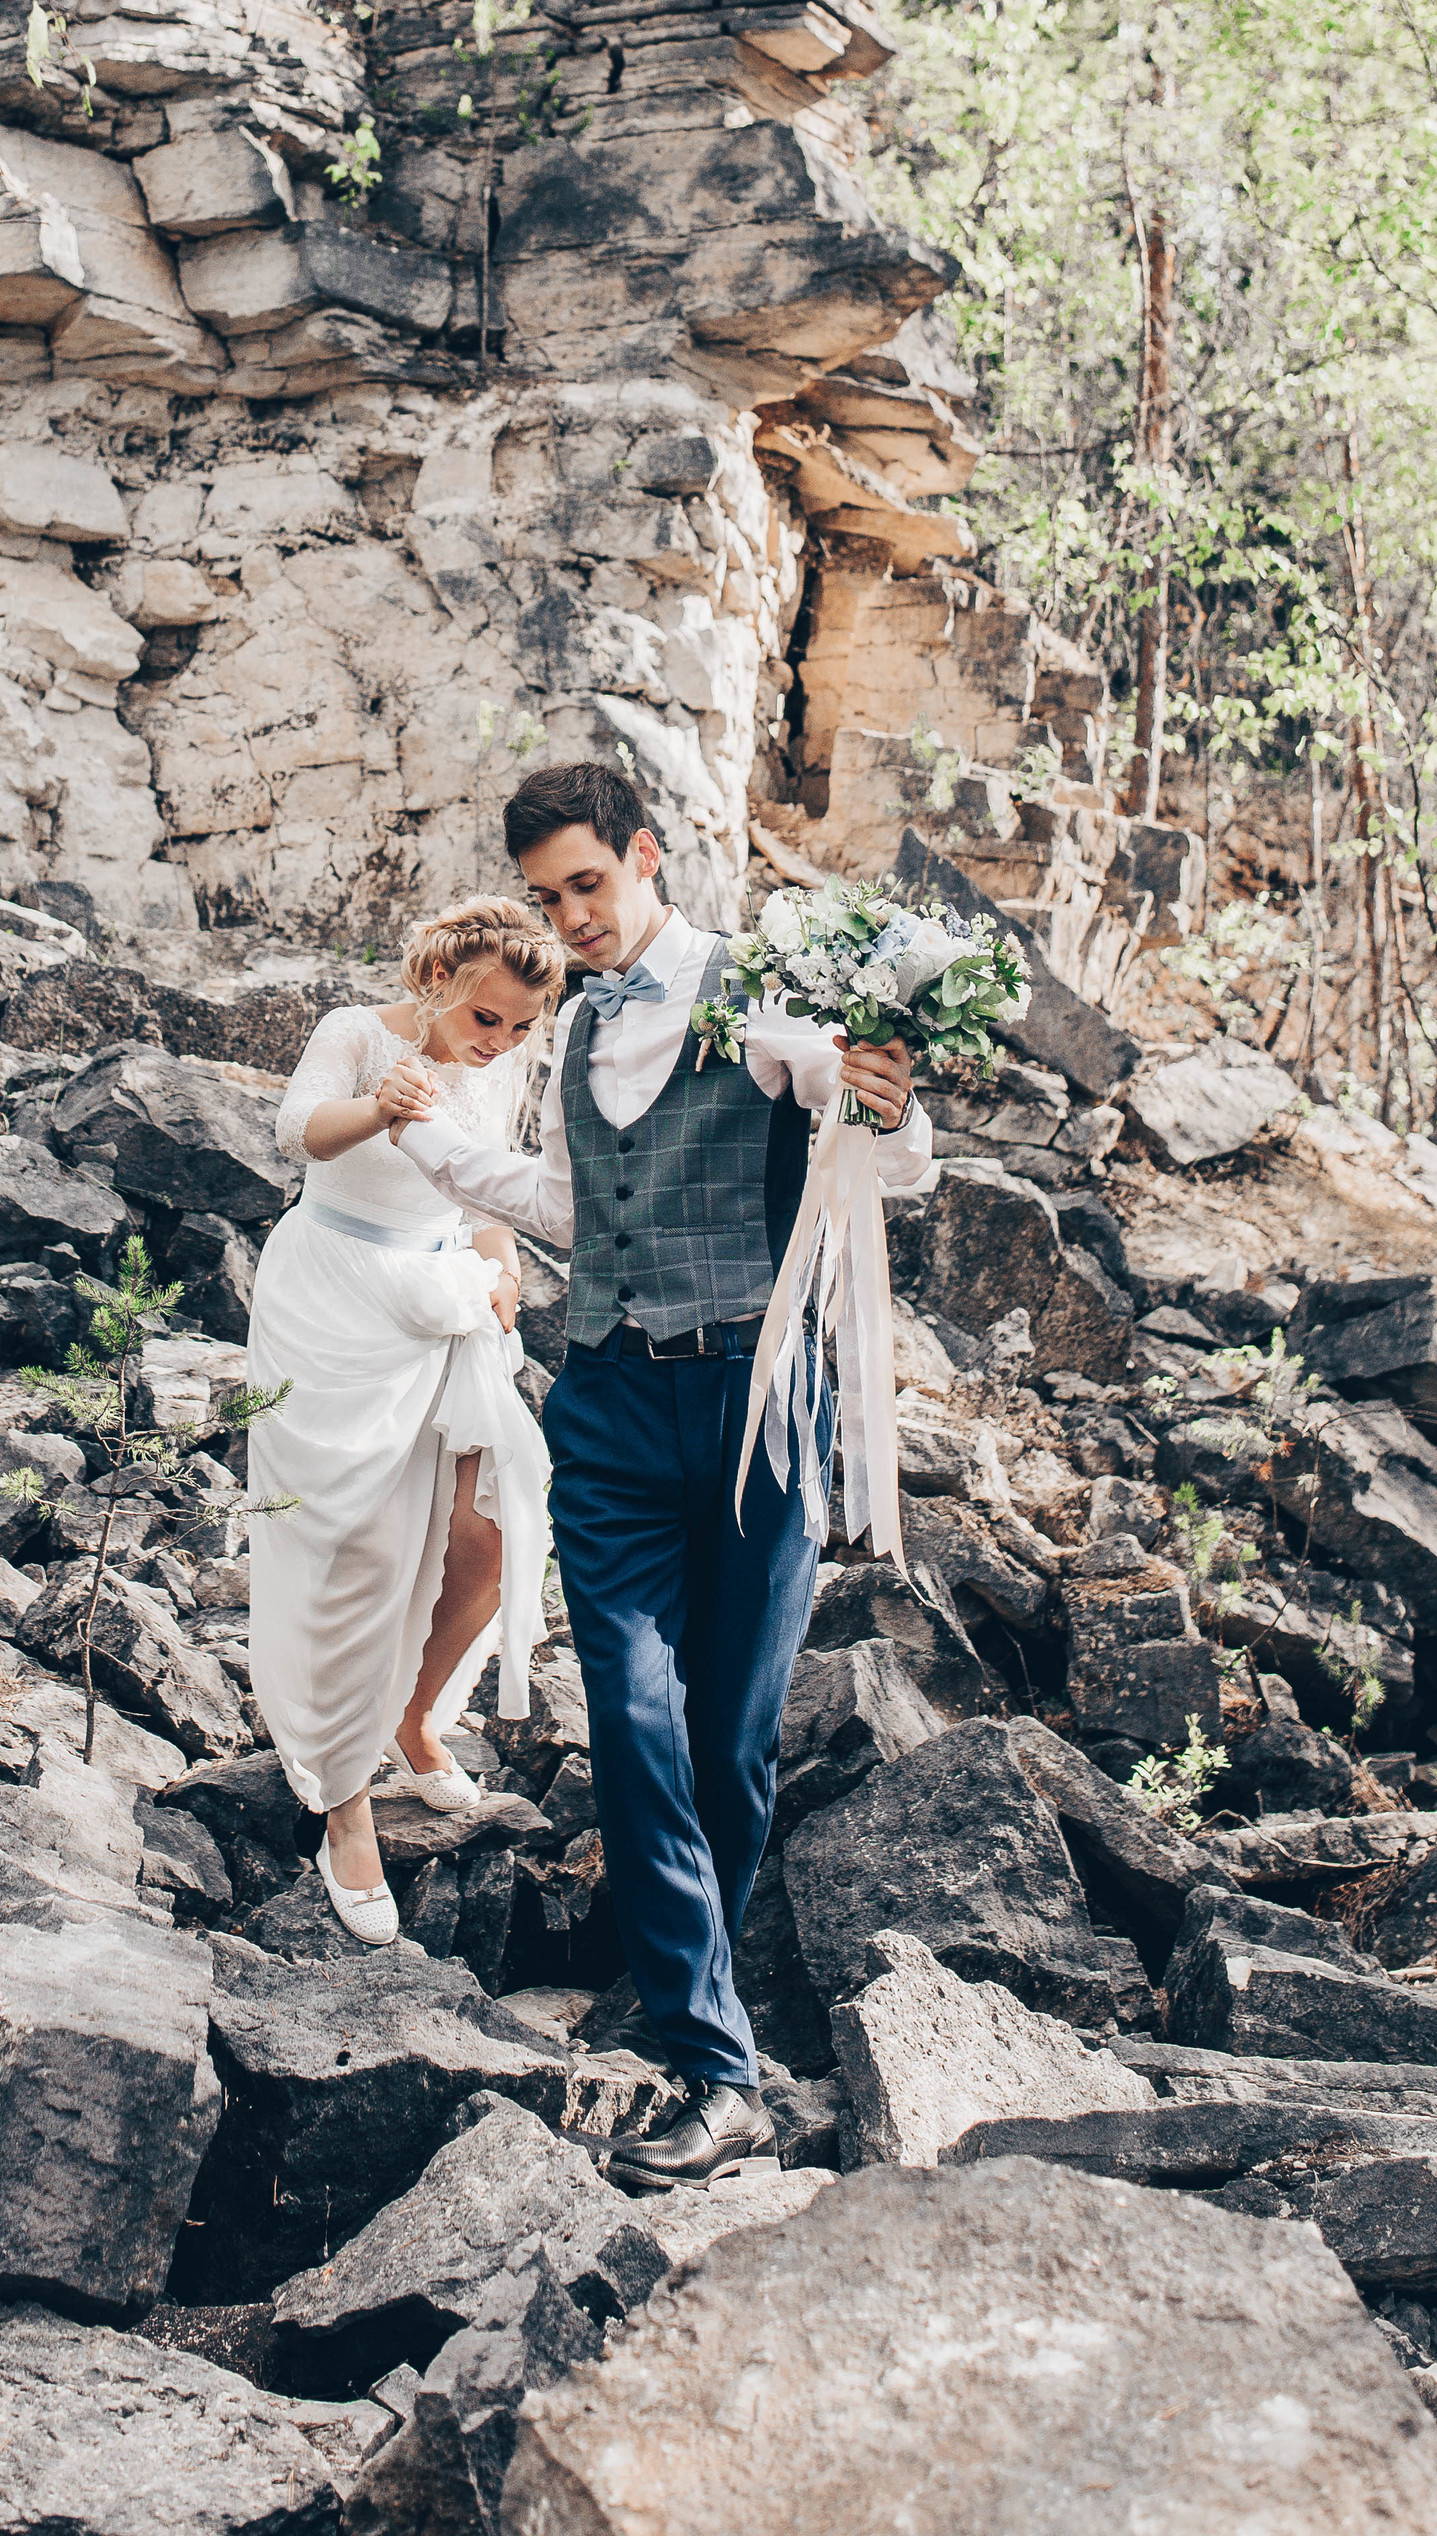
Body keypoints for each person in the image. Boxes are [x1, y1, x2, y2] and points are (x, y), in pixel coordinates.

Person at [388, 759, 936, 2191]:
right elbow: (578, 1203)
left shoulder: (761, 998)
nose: (571, 917)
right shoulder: (569, 1043)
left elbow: (878, 1136)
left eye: (588, 884)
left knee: (730, 1745)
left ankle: (686, 1991)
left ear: (644, 857)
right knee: (629, 1714)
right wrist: (436, 1152)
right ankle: (716, 2067)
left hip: (761, 1405)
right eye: (547, 896)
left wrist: (878, 1095)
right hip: (615, 1403)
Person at [246, 896, 564, 1945]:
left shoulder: (500, 1068)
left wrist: (502, 1259)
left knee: (495, 1528)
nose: (505, 1042)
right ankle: (342, 1799)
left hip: (441, 1303)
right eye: (490, 1021)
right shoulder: (353, 1034)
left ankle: (416, 1714)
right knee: (361, 1548)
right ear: (438, 983)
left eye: (524, 1027)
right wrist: (383, 1106)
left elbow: (483, 1195)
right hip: (332, 1295)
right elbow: (298, 1134)